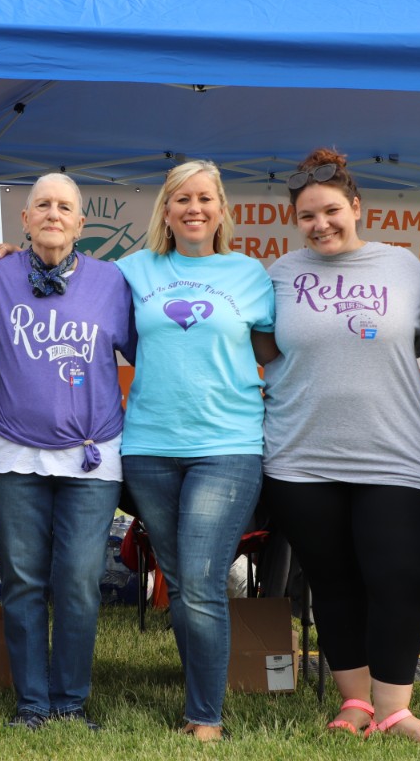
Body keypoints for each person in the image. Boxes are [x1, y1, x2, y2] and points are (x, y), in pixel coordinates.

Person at [257, 149, 420, 745]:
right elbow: (259, 351)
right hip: (301, 455)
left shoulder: (406, 268)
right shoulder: (278, 276)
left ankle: (396, 708)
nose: (321, 225)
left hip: (398, 453)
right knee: (332, 581)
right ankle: (355, 703)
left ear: (356, 207)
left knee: (399, 577)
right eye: (308, 216)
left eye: (332, 211)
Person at [116, 160, 274, 742]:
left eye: (204, 198)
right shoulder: (133, 271)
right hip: (149, 448)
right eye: (181, 198)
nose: (193, 208)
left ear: (221, 209)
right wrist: (9, 251)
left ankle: (205, 717)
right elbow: (69, 284)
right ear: (165, 209)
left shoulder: (251, 275)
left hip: (227, 446)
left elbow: (281, 352)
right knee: (180, 581)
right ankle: (200, 685)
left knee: (204, 578)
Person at [0, 173, 133, 731]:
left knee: (81, 581)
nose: (53, 214)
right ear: (24, 218)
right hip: (12, 454)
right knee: (23, 580)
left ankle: (70, 701)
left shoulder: (111, 282)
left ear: (81, 223)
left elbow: (146, 350)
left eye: (65, 207)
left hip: (92, 455)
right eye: (42, 205)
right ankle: (32, 704)